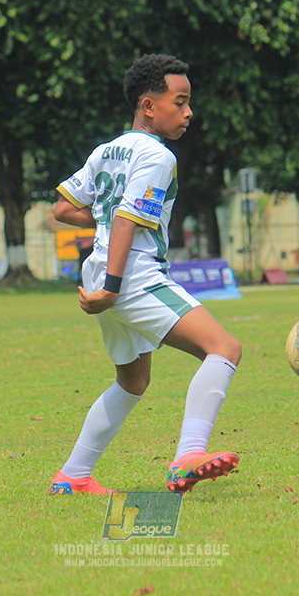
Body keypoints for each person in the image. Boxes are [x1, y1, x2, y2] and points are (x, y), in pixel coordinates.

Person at [49, 54, 242, 496]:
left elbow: (62, 208)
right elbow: (124, 221)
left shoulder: (107, 150)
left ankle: (73, 475)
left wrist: (104, 271)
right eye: (181, 101)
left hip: (100, 267)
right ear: (149, 105)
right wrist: (114, 288)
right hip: (130, 274)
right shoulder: (158, 155)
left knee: (133, 381)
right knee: (224, 348)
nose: (189, 112)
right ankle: (188, 456)